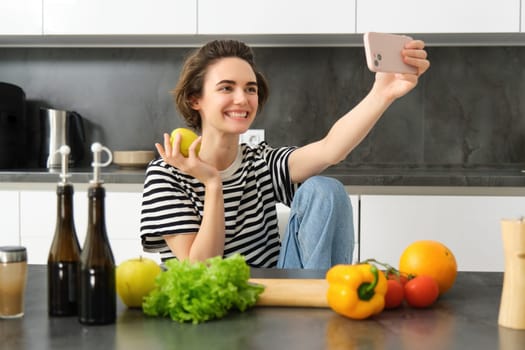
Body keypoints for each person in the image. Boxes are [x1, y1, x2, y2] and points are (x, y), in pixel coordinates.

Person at [140, 39, 430, 269]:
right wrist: (212, 183)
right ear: (195, 99)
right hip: (207, 307)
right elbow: (200, 269)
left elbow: (330, 149)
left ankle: (319, 300)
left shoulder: (259, 162)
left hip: (276, 295)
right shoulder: (167, 173)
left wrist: (382, 94)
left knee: (324, 189)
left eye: (250, 89)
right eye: (226, 88)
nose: (242, 99)